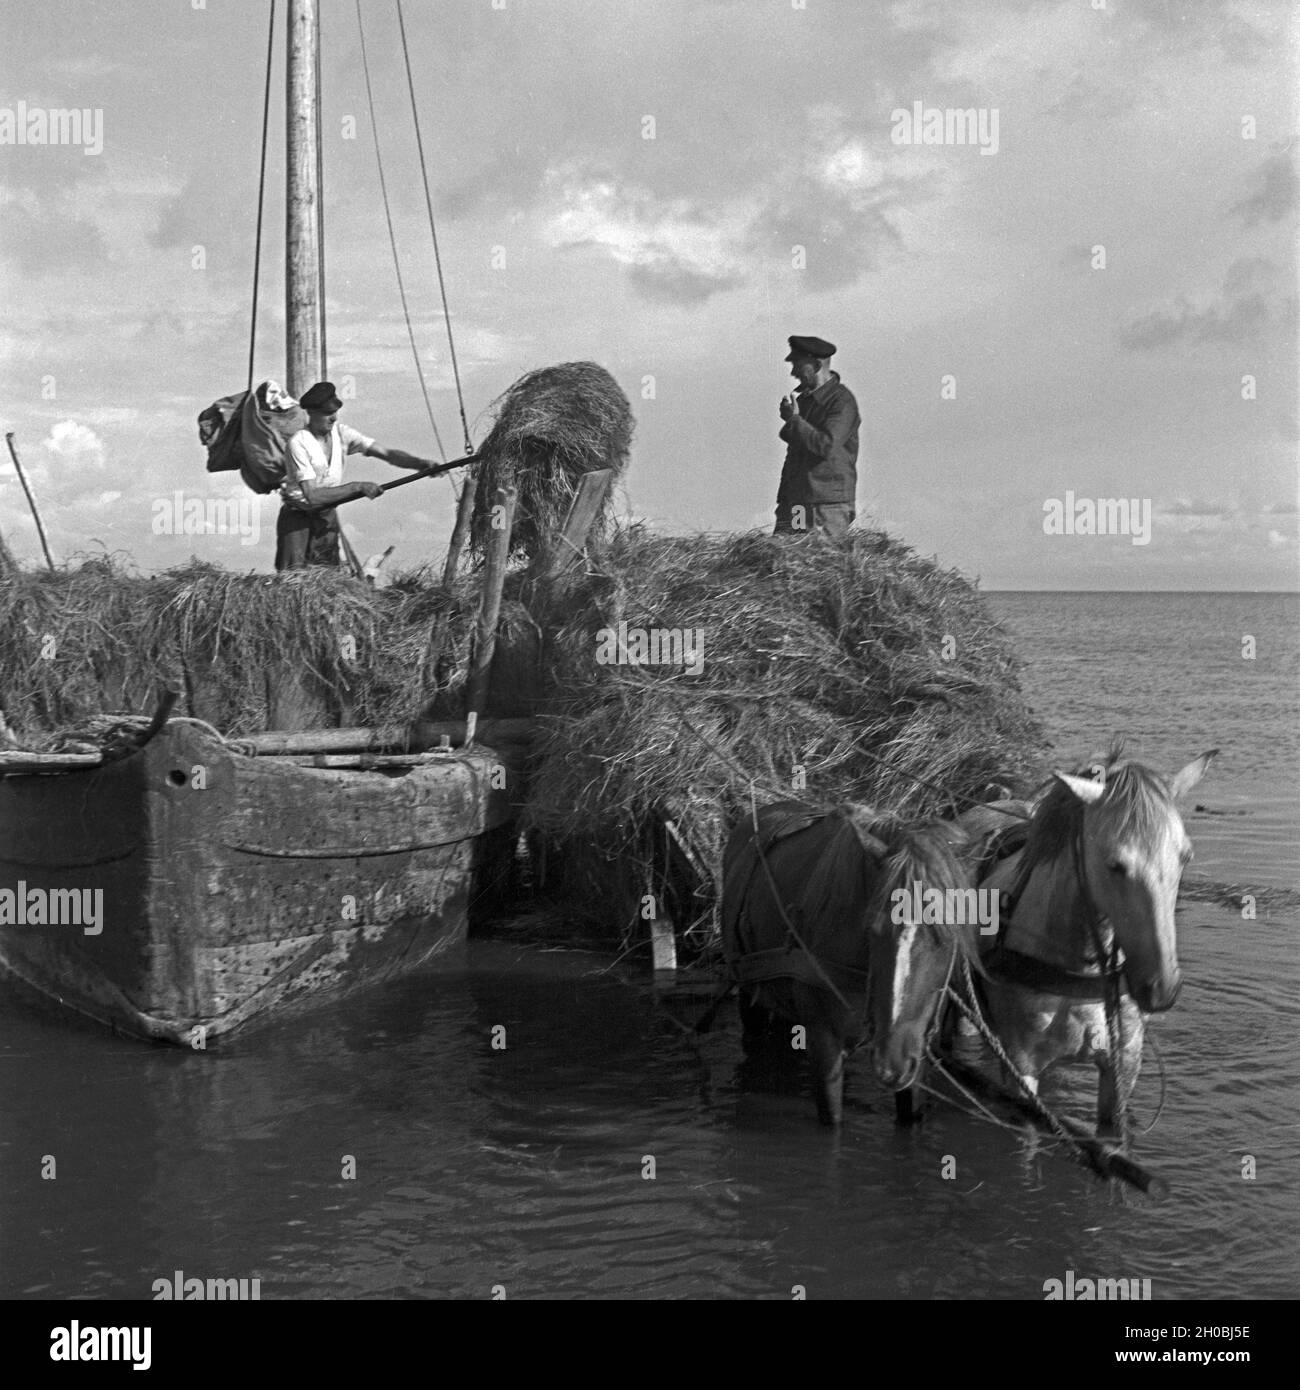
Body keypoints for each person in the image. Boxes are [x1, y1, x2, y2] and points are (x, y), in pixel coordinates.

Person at [274, 381, 435, 571]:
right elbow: (312, 495)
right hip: (297, 518)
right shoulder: (299, 443)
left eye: (335, 412)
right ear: (312, 413)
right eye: (327, 413)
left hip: (326, 515)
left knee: (328, 577)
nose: (333, 418)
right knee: (294, 578)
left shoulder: (342, 434)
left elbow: (387, 453)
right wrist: (357, 487)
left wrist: (420, 464)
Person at [774, 335, 860, 540]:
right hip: (798, 504)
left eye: (797, 364)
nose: (793, 372)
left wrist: (793, 420)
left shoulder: (842, 401)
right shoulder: (804, 401)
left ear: (815, 364)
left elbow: (825, 445)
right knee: (790, 559)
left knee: (822, 565)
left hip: (826, 507)